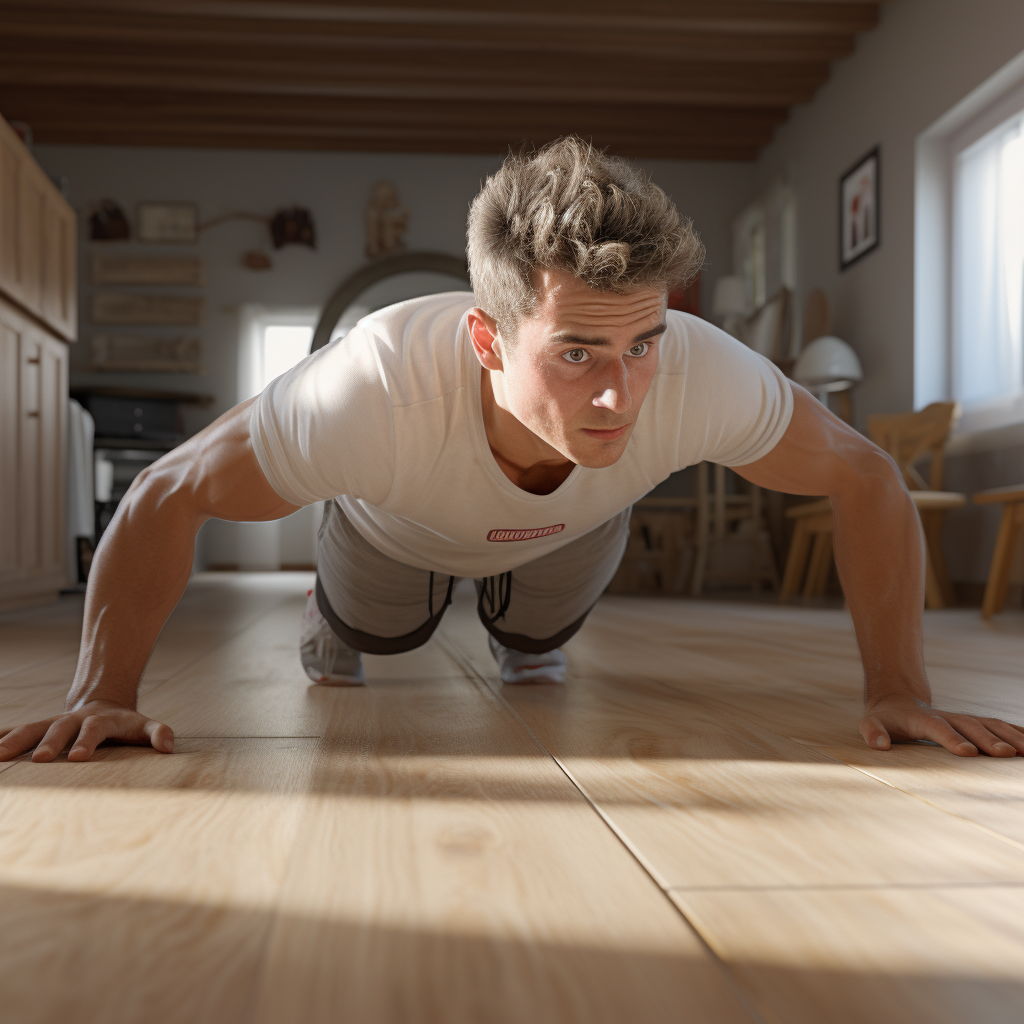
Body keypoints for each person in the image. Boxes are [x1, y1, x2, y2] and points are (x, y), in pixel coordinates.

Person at [3, 136, 1022, 765]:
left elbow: (864, 474)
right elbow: (169, 490)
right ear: (486, 340)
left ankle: (523, 633)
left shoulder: (699, 369)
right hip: (389, 529)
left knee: (536, 649)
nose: (621, 390)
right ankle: (333, 616)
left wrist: (899, 689)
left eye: (641, 342)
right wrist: (103, 693)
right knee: (376, 641)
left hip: (571, 527)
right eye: (576, 351)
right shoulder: (372, 384)